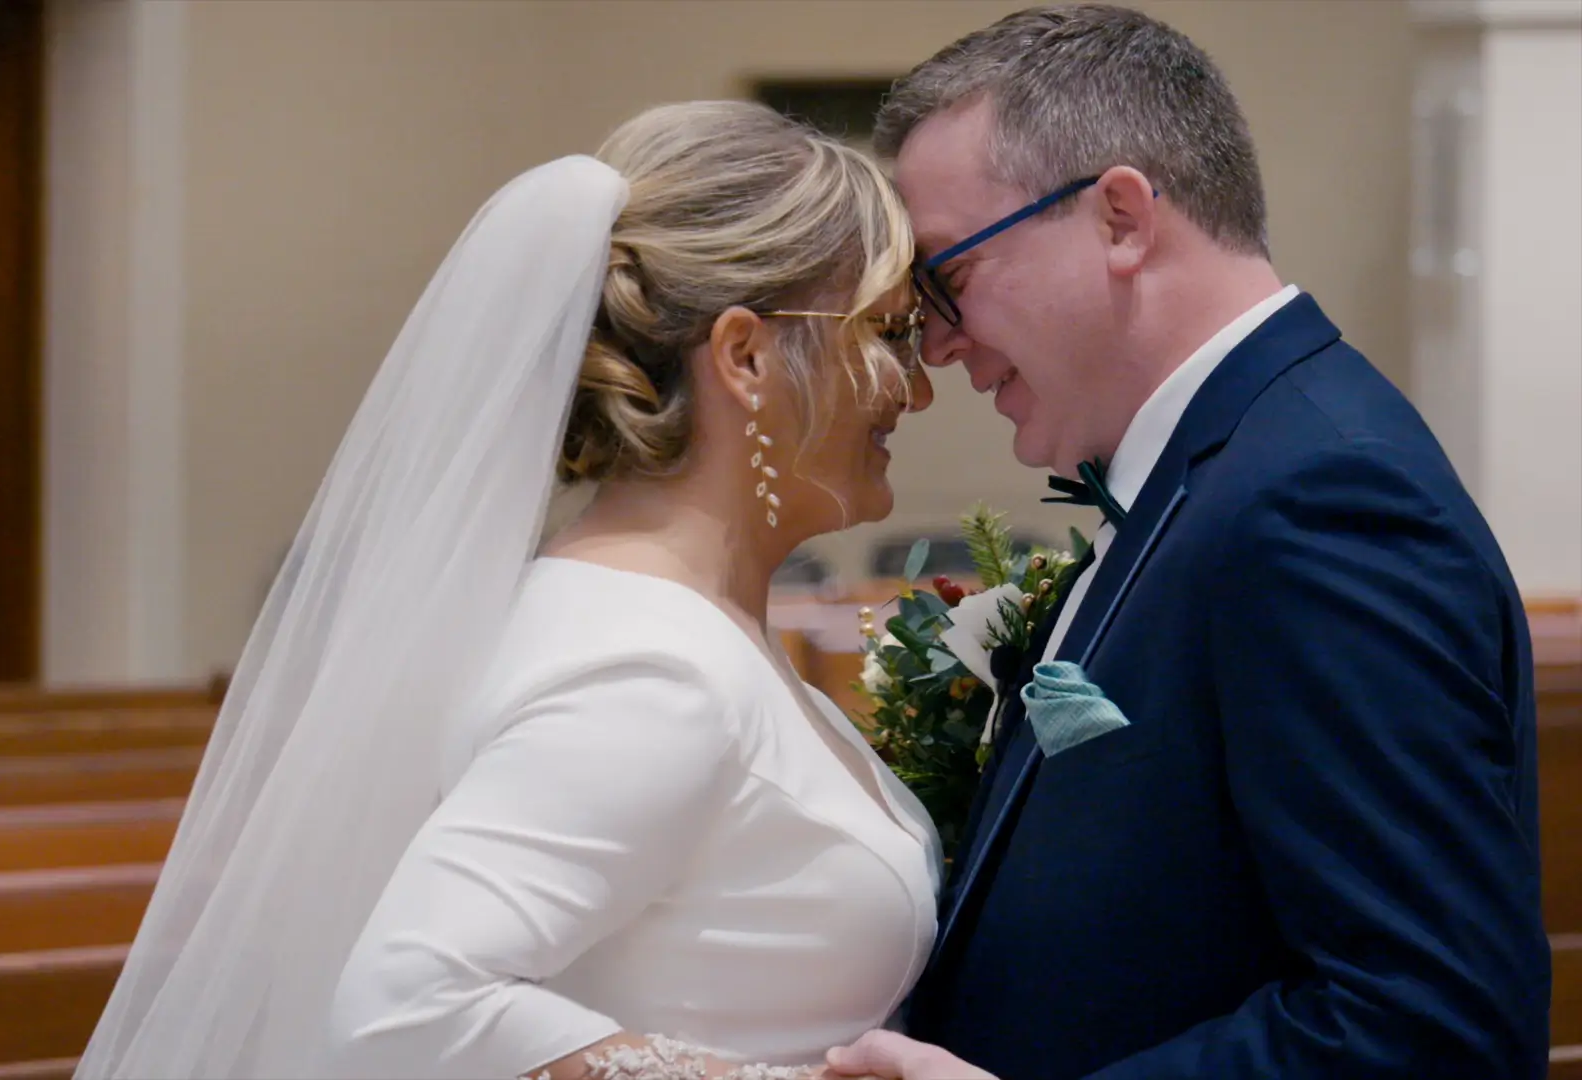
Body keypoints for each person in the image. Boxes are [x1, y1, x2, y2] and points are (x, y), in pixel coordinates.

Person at [75, 101, 944, 1079]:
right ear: (744, 358)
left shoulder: (649, 620)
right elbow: (409, 1007)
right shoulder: (650, 671)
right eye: (888, 333)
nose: (912, 388)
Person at [826, 5, 1549, 1079]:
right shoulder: (1221, 465)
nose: (935, 344)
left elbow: (1432, 1024)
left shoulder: (1320, 499)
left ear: (1119, 216)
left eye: (950, 280)